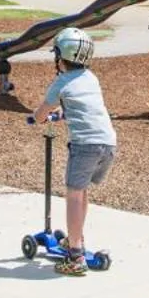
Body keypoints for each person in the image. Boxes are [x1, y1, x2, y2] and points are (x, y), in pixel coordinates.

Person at [31, 27, 113, 277]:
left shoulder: (61, 82)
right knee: (82, 190)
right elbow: (83, 109)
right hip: (108, 143)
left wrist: (38, 119)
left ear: (60, 56)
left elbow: (41, 113)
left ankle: (76, 256)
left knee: (73, 196)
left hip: (85, 145)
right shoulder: (91, 78)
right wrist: (62, 114)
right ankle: (76, 239)